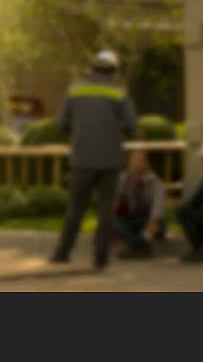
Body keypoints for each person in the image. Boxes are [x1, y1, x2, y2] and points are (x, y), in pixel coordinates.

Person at [50, 50, 138, 269]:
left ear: (92, 68)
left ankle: (62, 253)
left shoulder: (75, 89)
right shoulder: (119, 93)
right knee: (105, 210)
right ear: (114, 72)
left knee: (75, 207)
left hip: (82, 158)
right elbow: (130, 126)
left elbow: (61, 124)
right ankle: (101, 258)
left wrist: (79, 133)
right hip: (110, 159)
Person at [113, 151, 166, 259]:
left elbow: (158, 204)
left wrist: (153, 221)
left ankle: (135, 248)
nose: (136, 164)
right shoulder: (123, 179)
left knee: (159, 226)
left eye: (139, 160)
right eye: (133, 161)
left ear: (146, 164)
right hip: (129, 219)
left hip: (146, 218)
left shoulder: (155, 181)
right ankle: (141, 246)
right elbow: (114, 201)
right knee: (112, 223)